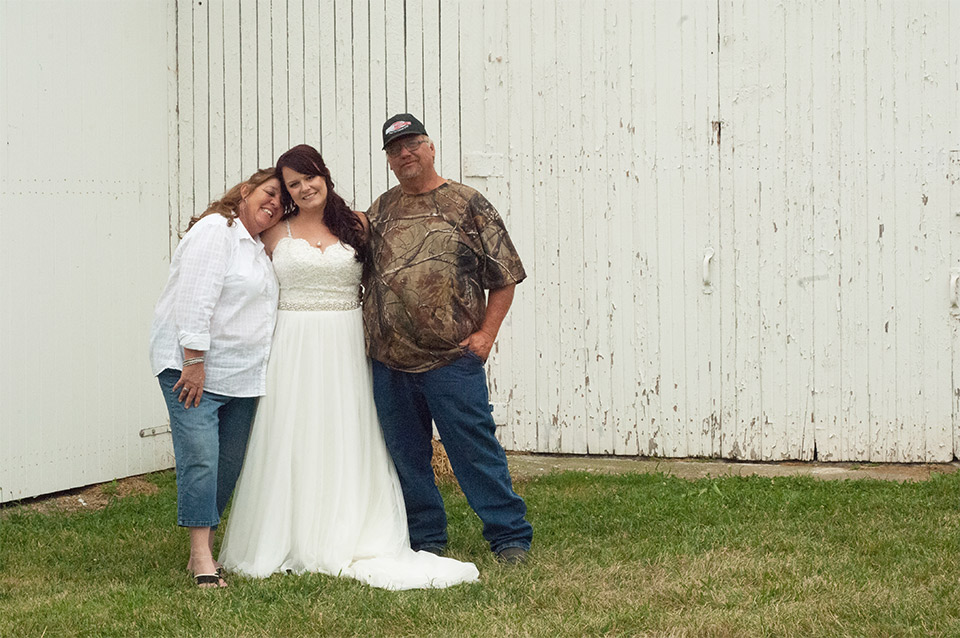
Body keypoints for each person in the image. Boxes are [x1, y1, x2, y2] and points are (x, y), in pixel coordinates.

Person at [218, 144, 479, 590]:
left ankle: (353, 523)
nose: (303, 189)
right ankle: (291, 529)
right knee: (294, 433)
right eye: (293, 185)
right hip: (293, 346)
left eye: (309, 178)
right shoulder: (274, 233)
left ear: (325, 175)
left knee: (347, 430)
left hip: (345, 344)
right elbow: (241, 281)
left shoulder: (358, 224)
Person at [363, 114, 533, 564]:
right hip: (390, 361)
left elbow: (505, 276)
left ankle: (508, 536)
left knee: (473, 450)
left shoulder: (467, 203)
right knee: (407, 456)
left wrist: (486, 335)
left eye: (413, 143)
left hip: (451, 359)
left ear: (431, 147)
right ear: (389, 160)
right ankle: (425, 539)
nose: (405, 153)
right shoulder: (381, 210)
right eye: (396, 149)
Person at [149, 168, 283, 588]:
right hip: (194, 370)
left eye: (283, 202)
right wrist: (193, 361)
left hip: (242, 376)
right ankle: (201, 557)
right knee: (201, 459)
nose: (276, 203)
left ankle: (202, 543)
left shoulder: (261, 248)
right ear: (245, 191)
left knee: (227, 464)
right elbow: (195, 298)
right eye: (270, 192)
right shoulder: (216, 231)